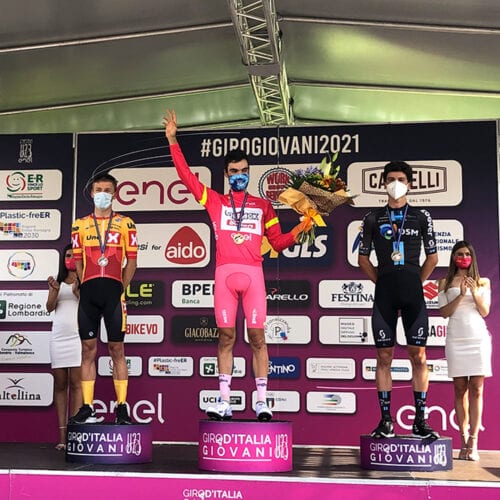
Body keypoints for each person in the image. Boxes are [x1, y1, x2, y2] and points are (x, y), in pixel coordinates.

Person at [163, 109, 311, 421]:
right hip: (225, 275)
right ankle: (224, 402)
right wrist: (173, 140)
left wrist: (301, 227)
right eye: (234, 171)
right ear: (227, 174)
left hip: (253, 275)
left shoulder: (263, 206)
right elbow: (186, 176)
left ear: (249, 172)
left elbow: (278, 243)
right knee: (226, 338)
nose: (239, 174)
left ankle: (262, 402)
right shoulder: (214, 200)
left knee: (258, 339)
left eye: (244, 170)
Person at [358, 161, 439, 439]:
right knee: (384, 357)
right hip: (385, 294)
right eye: (391, 179)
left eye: (401, 179)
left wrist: (416, 281)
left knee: (419, 356)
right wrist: (381, 281)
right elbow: (363, 259)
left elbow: (433, 258)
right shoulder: (372, 218)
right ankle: (386, 421)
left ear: (410, 184)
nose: (396, 183)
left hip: (413, 292)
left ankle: (420, 421)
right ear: (383, 183)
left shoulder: (421, 216)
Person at [69, 172, 138, 425]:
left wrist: (119, 288)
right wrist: (85, 284)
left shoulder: (126, 223)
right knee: (88, 350)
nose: (102, 194)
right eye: (98, 190)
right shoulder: (79, 224)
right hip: (89, 295)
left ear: (115, 194)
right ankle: (87, 406)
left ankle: (121, 407)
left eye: (107, 190)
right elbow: (78, 261)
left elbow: (132, 262)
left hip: (113, 295)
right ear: (91, 193)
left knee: (117, 349)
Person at [438, 241, 492, 461]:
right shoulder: (444, 282)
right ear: (453, 257)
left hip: (477, 339)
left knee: (477, 389)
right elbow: (444, 313)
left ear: (472, 257)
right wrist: (460, 294)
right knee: (460, 389)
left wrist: (474, 293)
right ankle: (462, 441)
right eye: (459, 254)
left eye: (467, 254)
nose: (463, 257)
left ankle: (474, 441)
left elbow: (485, 311)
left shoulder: (483, 281)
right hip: (456, 339)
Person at [46, 243, 83, 450]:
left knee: (77, 385)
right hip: (59, 338)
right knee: (60, 386)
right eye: (68, 255)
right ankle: (62, 436)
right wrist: (54, 291)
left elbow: (88, 308)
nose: (71, 258)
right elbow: (49, 307)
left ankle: (74, 434)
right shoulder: (57, 281)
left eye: (74, 255)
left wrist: (77, 291)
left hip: (78, 337)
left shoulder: (86, 280)